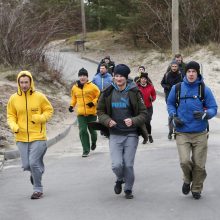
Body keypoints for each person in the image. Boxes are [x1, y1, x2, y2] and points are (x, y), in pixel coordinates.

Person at [167, 61, 218, 200]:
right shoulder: (177, 88)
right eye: (189, 71)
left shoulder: (204, 89)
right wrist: (173, 116)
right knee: (184, 161)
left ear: (197, 73)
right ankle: (187, 179)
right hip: (182, 132)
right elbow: (170, 103)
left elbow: (213, 107)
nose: (191, 74)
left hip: (200, 132)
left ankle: (196, 188)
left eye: (193, 71)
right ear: (185, 73)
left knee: (199, 165)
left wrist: (206, 114)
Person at [97, 64, 148, 199]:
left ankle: (128, 189)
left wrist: (133, 120)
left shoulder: (134, 91)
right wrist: (107, 120)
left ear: (126, 78)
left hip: (131, 133)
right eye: (116, 76)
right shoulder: (107, 92)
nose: (118, 78)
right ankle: (120, 178)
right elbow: (100, 111)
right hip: (115, 133)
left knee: (128, 164)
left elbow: (144, 113)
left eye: (121, 76)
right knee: (116, 165)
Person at [7, 71, 53, 200]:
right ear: (18, 83)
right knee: (27, 165)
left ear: (31, 82)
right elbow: (10, 115)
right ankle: (36, 171)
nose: (24, 85)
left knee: (33, 163)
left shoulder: (39, 96)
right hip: (21, 136)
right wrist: (14, 126)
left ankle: (37, 189)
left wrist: (39, 118)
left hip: (38, 136)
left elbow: (49, 110)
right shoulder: (13, 98)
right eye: (21, 82)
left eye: (26, 82)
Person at [69, 68, 100, 157]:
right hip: (81, 114)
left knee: (93, 132)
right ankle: (86, 150)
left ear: (87, 77)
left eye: (84, 76)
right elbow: (74, 98)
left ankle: (93, 142)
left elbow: (99, 96)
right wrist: (71, 106)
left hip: (92, 113)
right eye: (81, 76)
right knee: (82, 131)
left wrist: (93, 103)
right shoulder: (74, 87)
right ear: (79, 77)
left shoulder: (93, 86)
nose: (82, 77)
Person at [161, 60, 183, 140]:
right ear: (170, 67)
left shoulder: (181, 75)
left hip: (179, 97)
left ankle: (176, 131)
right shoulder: (167, 74)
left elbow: (184, 84)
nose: (174, 68)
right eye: (173, 66)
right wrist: (167, 87)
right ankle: (170, 131)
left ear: (178, 67)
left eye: (175, 66)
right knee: (171, 114)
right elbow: (162, 83)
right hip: (169, 97)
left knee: (178, 114)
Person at [136, 72, 156, 143]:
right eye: (142, 78)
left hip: (148, 107)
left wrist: (152, 98)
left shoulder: (150, 86)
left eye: (145, 79)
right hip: (140, 108)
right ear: (140, 79)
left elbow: (154, 95)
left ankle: (149, 135)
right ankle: (145, 137)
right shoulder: (136, 86)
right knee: (142, 123)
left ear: (147, 79)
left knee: (147, 121)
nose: (143, 80)